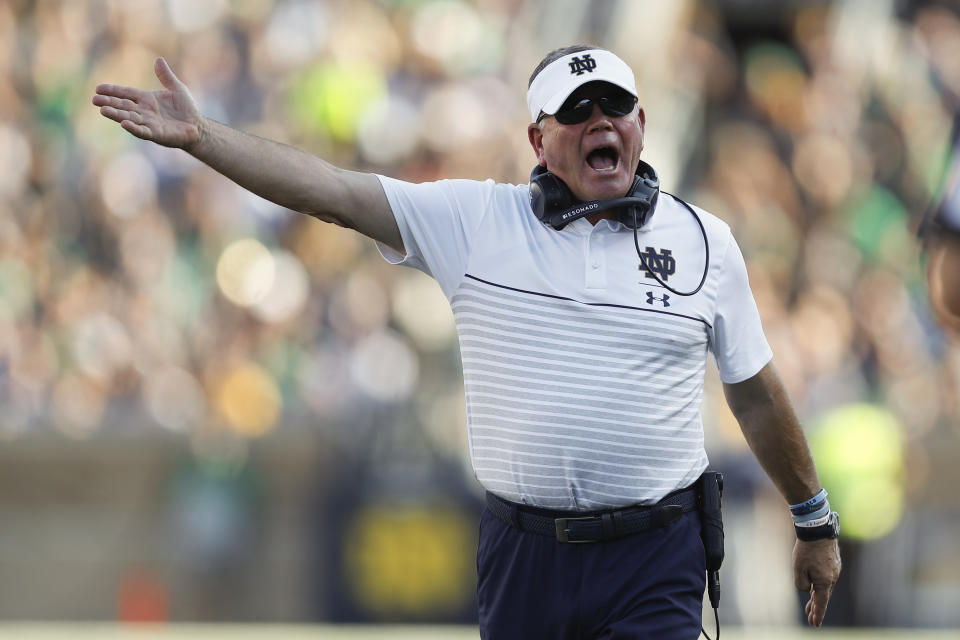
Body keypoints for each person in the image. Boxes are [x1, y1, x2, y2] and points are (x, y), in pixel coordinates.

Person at [93, 45, 841, 638]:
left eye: (615, 105)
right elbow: (330, 189)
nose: (600, 121)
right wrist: (202, 138)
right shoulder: (477, 222)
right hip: (524, 555)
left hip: (656, 554)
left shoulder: (707, 241)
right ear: (537, 139)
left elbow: (756, 395)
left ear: (642, 120)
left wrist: (812, 519)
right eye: (576, 111)